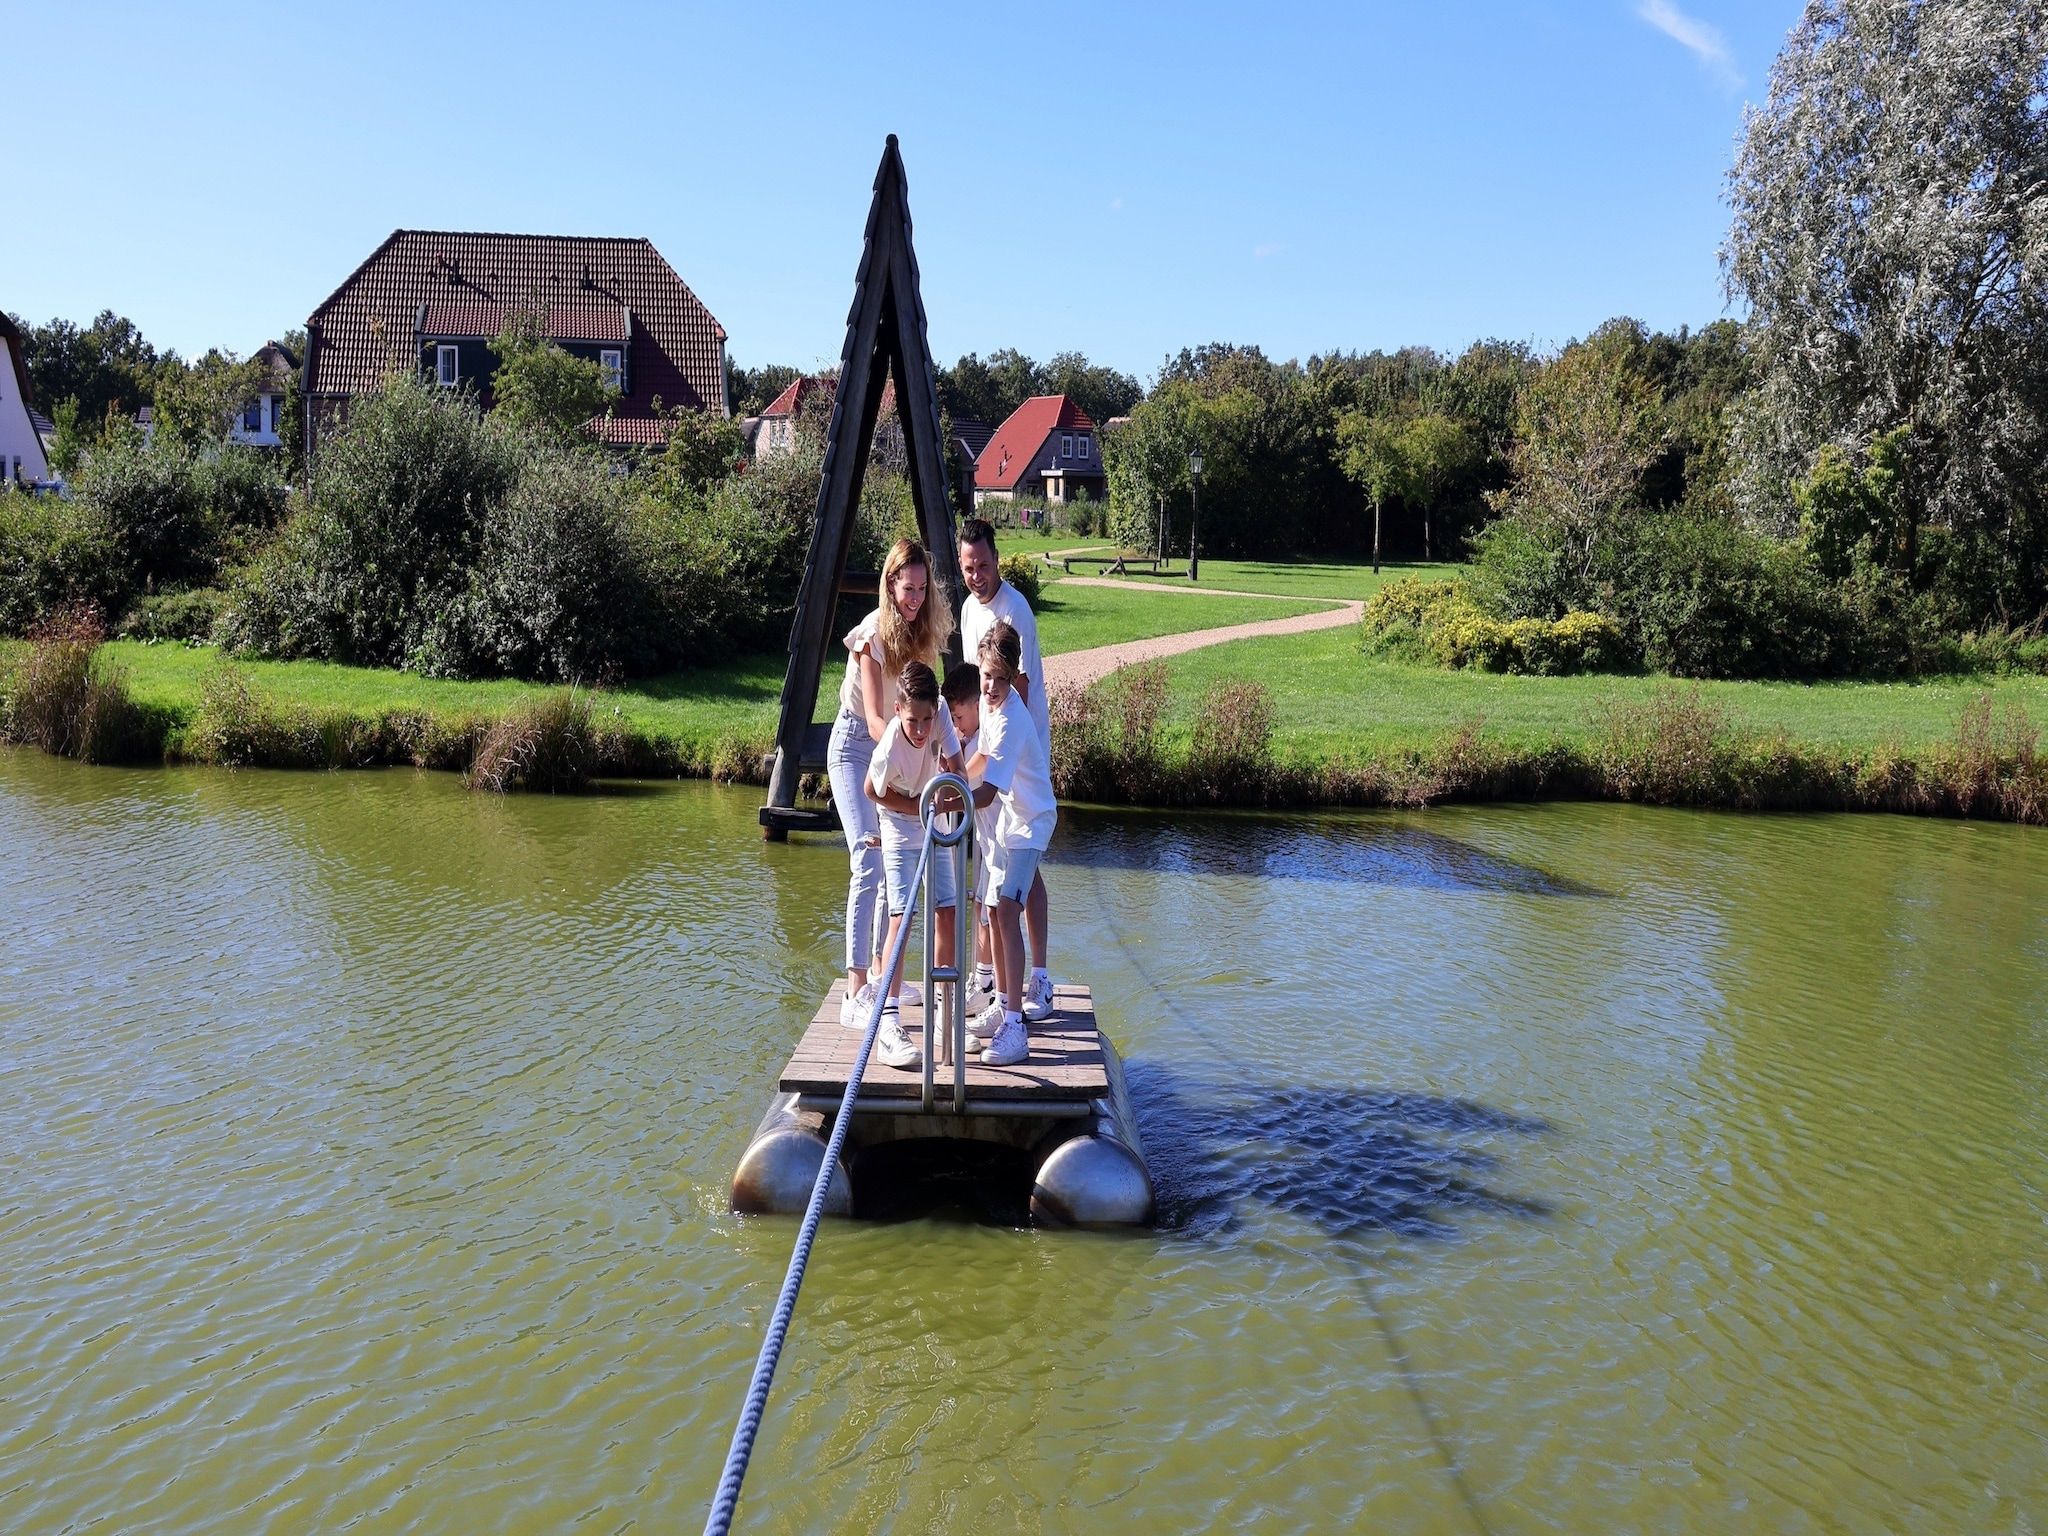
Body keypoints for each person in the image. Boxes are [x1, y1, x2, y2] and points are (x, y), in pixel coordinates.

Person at [827, 538, 954, 1030]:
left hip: (898, 747)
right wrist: (916, 751)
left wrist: (943, 754)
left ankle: (885, 979)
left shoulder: (923, 633)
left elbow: (929, 705)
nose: (916, 598)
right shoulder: (872, 636)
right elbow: (880, 721)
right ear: (890, 585)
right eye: (908, 589)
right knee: (867, 855)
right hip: (858, 745)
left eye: (923, 589)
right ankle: (855, 990)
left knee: (892, 856)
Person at [957, 518, 1056, 1022]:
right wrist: (962, 752)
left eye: (984, 566)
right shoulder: (968, 609)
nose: (976, 576)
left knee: (1020, 873)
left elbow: (1013, 690)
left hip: (1021, 753)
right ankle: (990, 981)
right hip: (990, 749)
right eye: (968, 568)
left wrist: (974, 772)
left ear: (998, 560)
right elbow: (980, 688)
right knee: (992, 874)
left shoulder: (1016, 611)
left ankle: (1037, 980)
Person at [963, 621, 1056, 1068]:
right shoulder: (988, 704)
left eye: (1002, 678)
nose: (992, 686)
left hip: (1032, 820)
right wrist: (953, 772)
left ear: (1014, 675)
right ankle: (1004, 1001)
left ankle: (1016, 1029)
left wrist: (951, 797)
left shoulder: (1016, 718)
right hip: (1010, 822)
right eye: (987, 676)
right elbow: (981, 758)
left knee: (1005, 910)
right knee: (993, 910)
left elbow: (986, 793)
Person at [861, 661, 961, 1070]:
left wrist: (948, 795)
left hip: (930, 813)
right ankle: (888, 1021)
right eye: (912, 720)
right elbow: (872, 791)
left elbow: (956, 769)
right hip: (901, 821)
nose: (921, 730)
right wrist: (920, 807)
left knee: (948, 909)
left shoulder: (938, 718)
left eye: (926, 720)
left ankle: (942, 1008)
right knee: (901, 920)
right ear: (898, 709)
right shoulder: (889, 746)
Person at [942, 661, 1001, 1008]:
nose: (956, 727)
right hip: (987, 839)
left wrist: (942, 798)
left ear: (977, 706)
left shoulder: (986, 738)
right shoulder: (971, 737)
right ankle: (983, 982)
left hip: (1004, 838)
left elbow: (971, 781)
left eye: (958, 718)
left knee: (991, 910)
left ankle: (992, 988)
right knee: (981, 905)